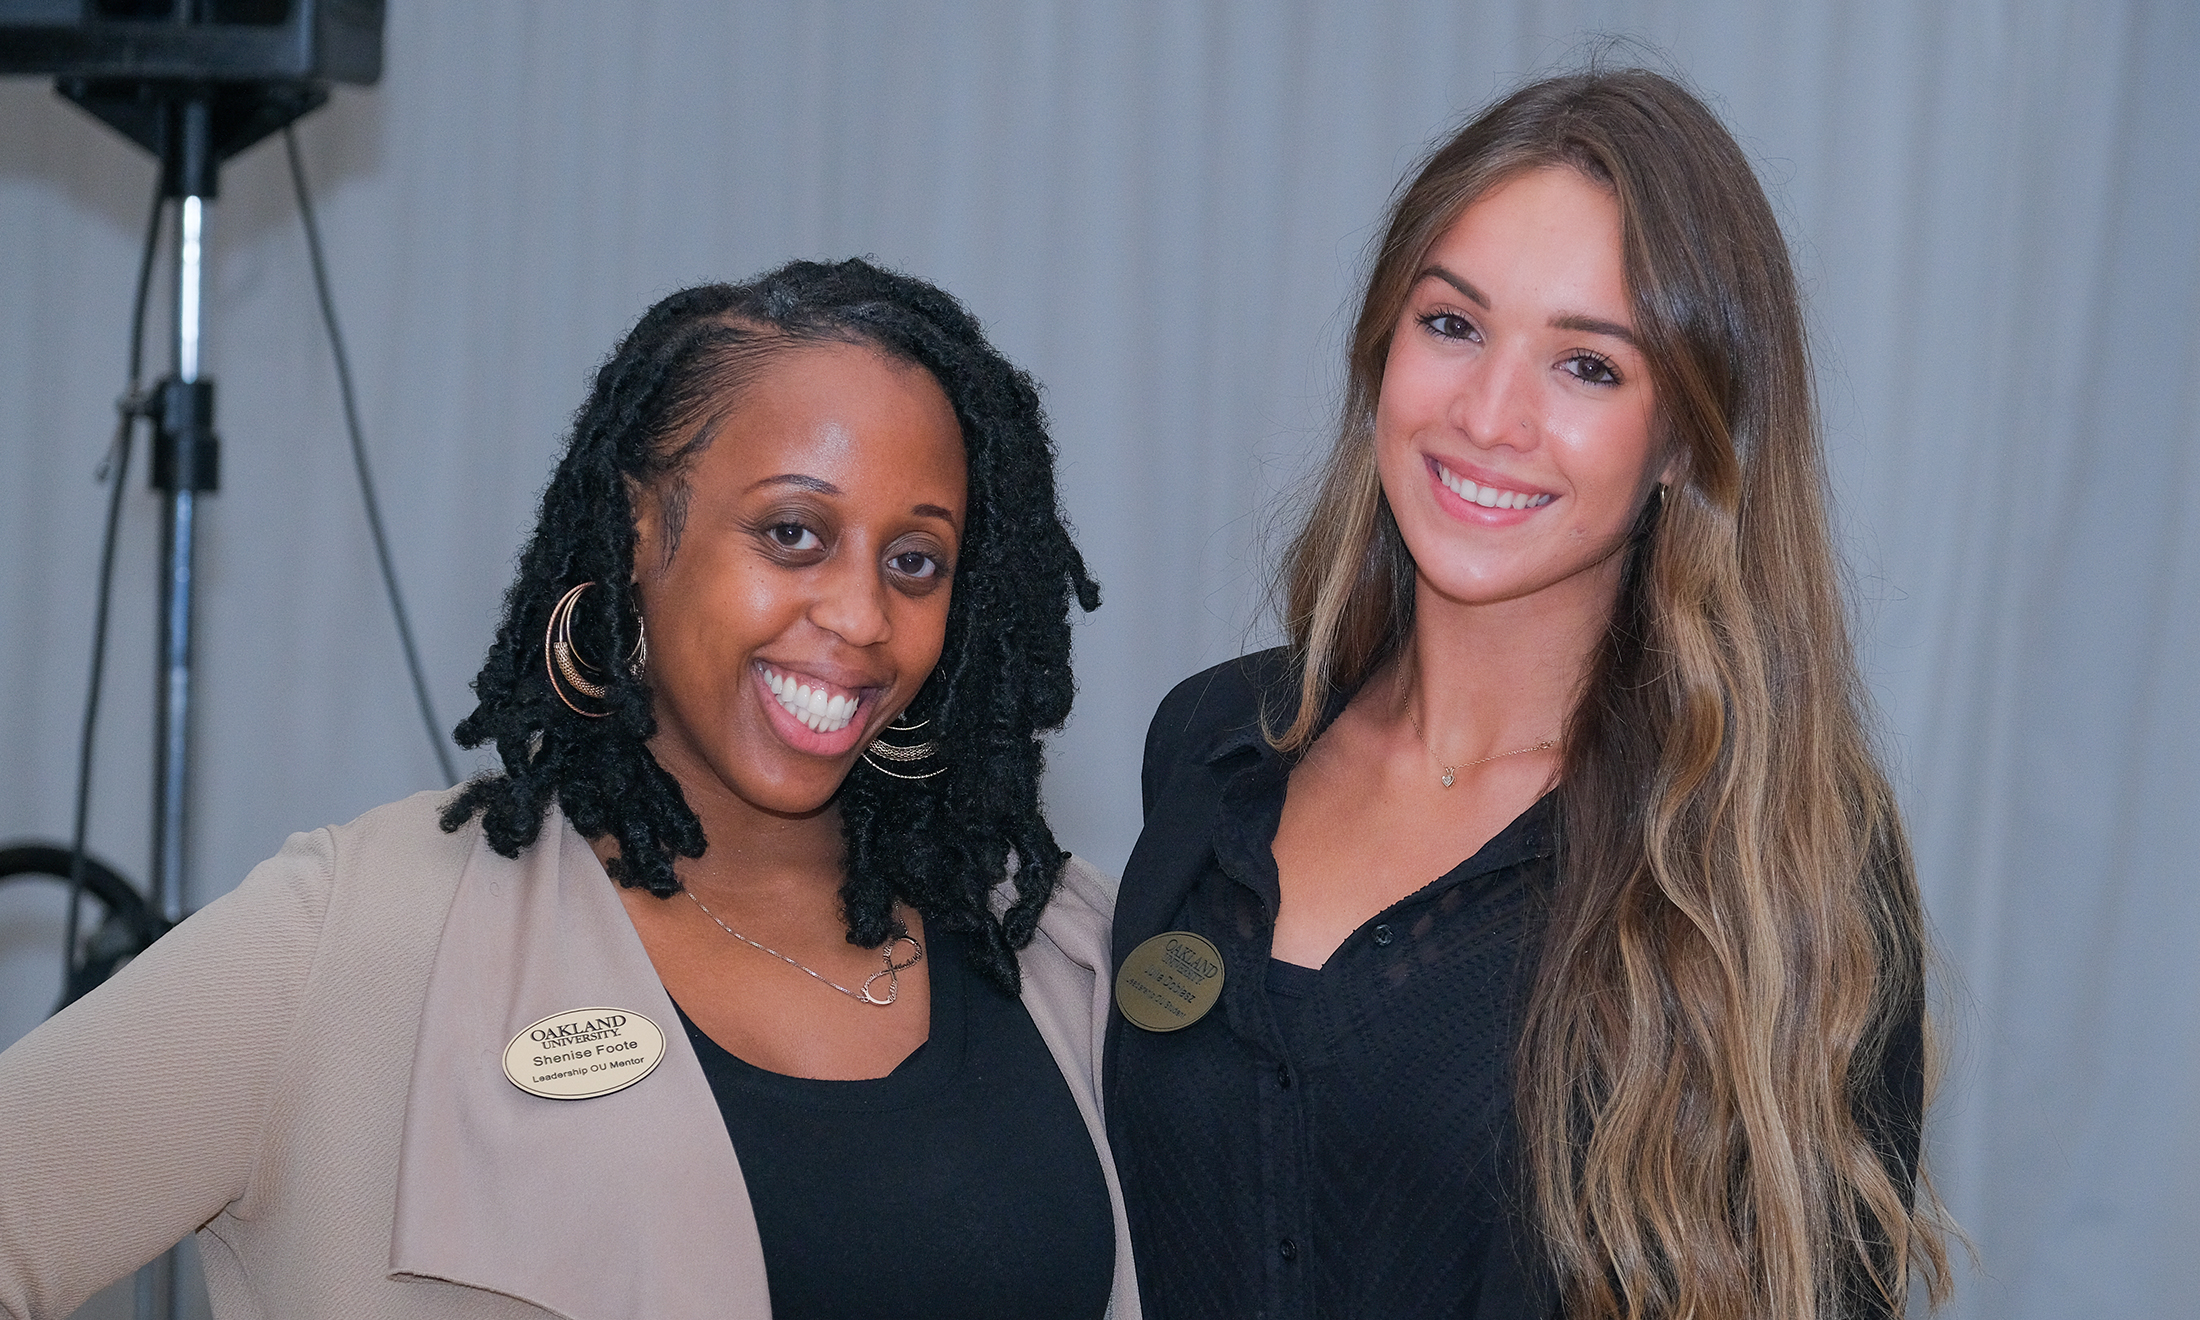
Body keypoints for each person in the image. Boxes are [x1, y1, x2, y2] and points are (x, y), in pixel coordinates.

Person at [0, 259, 1137, 1319]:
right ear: (641, 529)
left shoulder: (1049, 947)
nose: (858, 616)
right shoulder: (360, 935)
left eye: (914, 561)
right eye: (792, 533)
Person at [1106, 70, 1952, 1320]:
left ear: (1682, 441)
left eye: (1588, 367)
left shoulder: (1779, 851)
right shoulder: (1211, 741)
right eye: (1452, 325)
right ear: (1381, 348)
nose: (1490, 416)